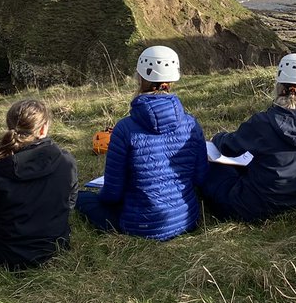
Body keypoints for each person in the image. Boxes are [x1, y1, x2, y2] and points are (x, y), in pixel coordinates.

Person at [201, 54, 296, 222]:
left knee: (213, 168)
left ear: (279, 85)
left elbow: (228, 147)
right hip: (293, 202)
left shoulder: (263, 122)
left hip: (247, 207)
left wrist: (218, 137)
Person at [75, 46, 207, 240]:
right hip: (186, 220)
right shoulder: (192, 124)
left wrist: (102, 195)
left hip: (141, 226)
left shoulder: (124, 129)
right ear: (172, 80)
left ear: (140, 77)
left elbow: (112, 195)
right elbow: (200, 178)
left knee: (81, 198)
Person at [0, 99, 79, 268]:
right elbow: (70, 203)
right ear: (42, 129)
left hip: (2, 258)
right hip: (54, 250)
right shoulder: (66, 161)